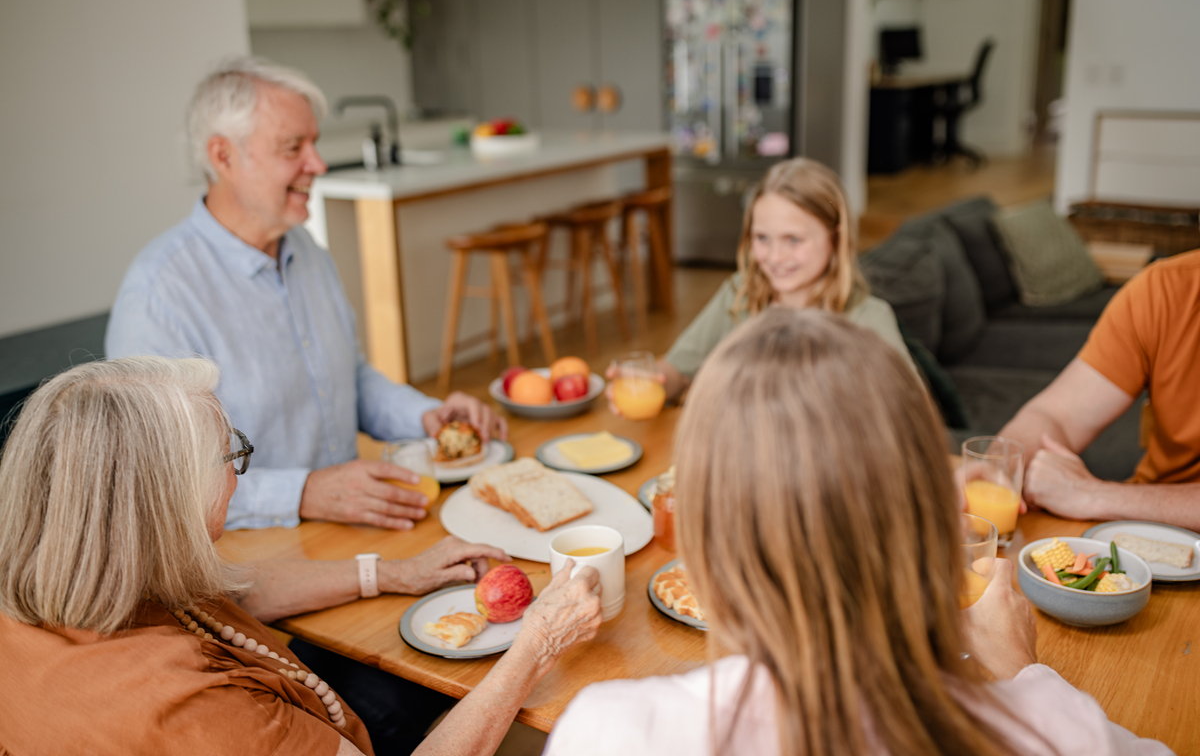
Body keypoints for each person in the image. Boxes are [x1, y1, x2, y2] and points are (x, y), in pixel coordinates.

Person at [548, 309, 1171, 756]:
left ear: (708, 550)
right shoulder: (1055, 731)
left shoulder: (610, 733)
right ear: (929, 522)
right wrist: (1026, 675)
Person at [0, 356, 602, 756]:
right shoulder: (206, 717)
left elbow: (230, 588)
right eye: (230, 456)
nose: (239, 472)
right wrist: (538, 644)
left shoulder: (79, 573)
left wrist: (394, 573)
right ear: (161, 507)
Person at [105, 55, 501, 532]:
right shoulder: (157, 296)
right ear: (223, 157)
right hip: (247, 563)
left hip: (353, 530)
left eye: (313, 143)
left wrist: (427, 417)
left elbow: (348, 380)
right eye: (294, 147)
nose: (318, 163)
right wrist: (306, 492)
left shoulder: (306, 249)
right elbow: (161, 481)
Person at [614, 157, 912, 408]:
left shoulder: (868, 320)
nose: (775, 257)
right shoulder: (740, 294)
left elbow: (912, 415)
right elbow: (677, 371)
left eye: (793, 240)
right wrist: (648, 383)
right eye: (762, 238)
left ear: (835, 237)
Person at [997, 250, 1200, 531]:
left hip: (1134, 516)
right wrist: (998, 466)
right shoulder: (1165, 289)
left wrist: (1095, 495)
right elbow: (1055, 416)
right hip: (1141, 534)